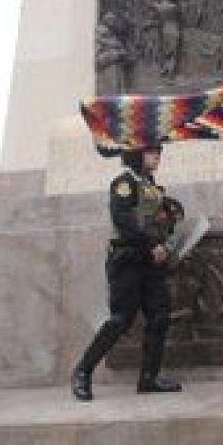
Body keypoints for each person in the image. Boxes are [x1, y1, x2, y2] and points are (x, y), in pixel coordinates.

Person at [71, 144, 183, 401]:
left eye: (158, 152)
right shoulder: (124, 183)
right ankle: (82, 371)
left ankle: (149, 378)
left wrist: (171, 217)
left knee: (159, 316)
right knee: (121, 319)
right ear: (136, 155)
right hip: (128, 260)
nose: (157, 156)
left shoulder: (150, 185)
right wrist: (152, 244)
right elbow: (124, 219)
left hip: (150, 263)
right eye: (151, 152)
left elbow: (164, 214)